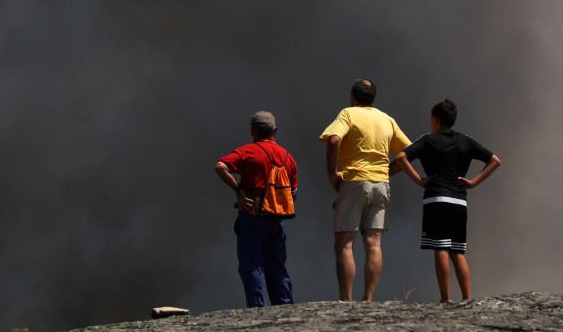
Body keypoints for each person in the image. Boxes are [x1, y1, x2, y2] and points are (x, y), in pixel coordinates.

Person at [390, 99, 501, 302]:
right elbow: (495, 160)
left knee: (440, 248)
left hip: (436, 198)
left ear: (436, 119)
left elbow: (401, 158)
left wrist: (419, 180)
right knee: (457, 250)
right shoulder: (466, 141)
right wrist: (474, 182)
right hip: (459, 200)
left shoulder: (428, 140)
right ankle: (467, 299)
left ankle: (445, 299)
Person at [319, 78, 411, 301]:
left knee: (345, 242)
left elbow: (333, 140)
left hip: (354, 181)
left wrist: (333, 176)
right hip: (381, 184)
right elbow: (407, 152)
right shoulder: (386, 119)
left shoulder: (349, 114)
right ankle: (368, 298)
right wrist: (387, 171)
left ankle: (346, 299)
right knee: (373, 242)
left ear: (353, 96)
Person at [214, 111, 299, 307]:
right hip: (276, 220)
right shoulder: (288, 157)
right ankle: (285, 306)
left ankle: (257, 309)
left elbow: (220, 166)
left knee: (252, 265)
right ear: (275, 130)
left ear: (252, 130)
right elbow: (293, 193)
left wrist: (239, 190)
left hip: (251, 216)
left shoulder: (247, 152)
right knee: (277, 266)